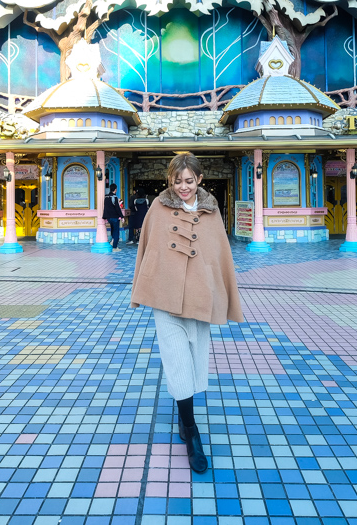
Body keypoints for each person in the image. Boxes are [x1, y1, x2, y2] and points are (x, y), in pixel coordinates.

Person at [130, 152, 242, 473]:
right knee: (177, 362)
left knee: (194, 364)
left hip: (199, 300)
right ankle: (192, 432)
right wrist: (148, 285)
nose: (183, 187)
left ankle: (183, 420)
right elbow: (148, 247)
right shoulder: (158, 208)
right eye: (177, 181)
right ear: (170, 181)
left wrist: (218, 292)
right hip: (166, 301)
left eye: (189, 181)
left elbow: (219, 253)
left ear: (200, 180)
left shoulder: (211, 211)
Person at [102, 182, 124, 251]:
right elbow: (117, 209)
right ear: (115, 189)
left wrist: (105, 217)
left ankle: (112, 241)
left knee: (112, 229)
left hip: (109, 218)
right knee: (116, 231)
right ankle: (115, 247)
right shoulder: (115, 197)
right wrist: (122, 217)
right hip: (115, 217)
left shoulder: (106, 197)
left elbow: (105, 207)